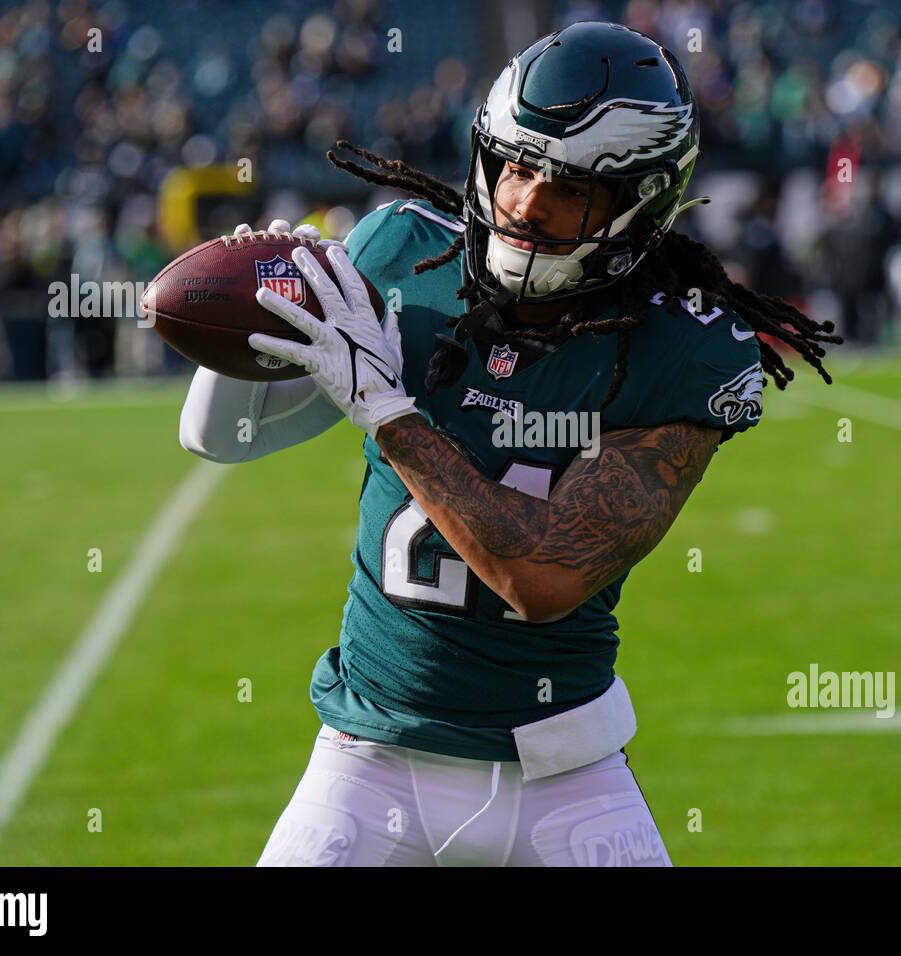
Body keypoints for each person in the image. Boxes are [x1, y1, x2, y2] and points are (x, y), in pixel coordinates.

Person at [179, 20, 840, 866]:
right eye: (515, 165)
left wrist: (389, 412)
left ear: (643, 200)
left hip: (564, 777)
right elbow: (221, 440)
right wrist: (249, 321)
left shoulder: (684, 348)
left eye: (567, 187)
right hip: (366, 758)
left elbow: (543, 578)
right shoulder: (404, 256)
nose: (524, 202)